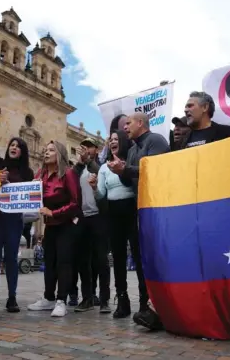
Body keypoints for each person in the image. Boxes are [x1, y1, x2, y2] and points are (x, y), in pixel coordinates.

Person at [108, 112, 170, 326]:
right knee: (142, 258)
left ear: (140, 123)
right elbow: (130, 181)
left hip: (160, 207)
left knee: (154, 258)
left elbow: (154, 170)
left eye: (129, 123)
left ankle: (156, 305)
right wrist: (119, 172)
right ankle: (146, 305)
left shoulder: (156, 140)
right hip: (141, 209)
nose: (125, 127)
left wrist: (126, 169)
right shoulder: (133, 149)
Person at [0, 108, 34, 315]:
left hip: (14, 221)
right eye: (12, 145)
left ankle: (12, 298)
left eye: (18, 146)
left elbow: (30, 195)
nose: (14, 148)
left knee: (12, 258)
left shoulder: (27, 172)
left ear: (23, 151)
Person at [27, 141, 81, 317]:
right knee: (48, 263)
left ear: (60, 153)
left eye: (51, 150)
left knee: (63, 263)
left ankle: (61, 300)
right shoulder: (40, 175)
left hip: (66, 226)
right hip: (50, 227)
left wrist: (53, 212)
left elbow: (75, 203)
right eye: (45, 150)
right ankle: (48, 298)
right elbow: (31, 195)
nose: (46, 152)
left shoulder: (68, 174)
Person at [88, 130, 135, 319]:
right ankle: (122, 299)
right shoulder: (104, 168)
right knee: (118, 257)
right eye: (111, 140)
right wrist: (93, 188)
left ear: (123, 142)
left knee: (138, 255)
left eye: (116, 139)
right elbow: (101, 195)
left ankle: (145, 300)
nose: (113, 142)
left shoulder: (130, 160)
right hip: (113, 212)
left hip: (131, 209)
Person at [71, 138, 111, 313]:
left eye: (89, 147)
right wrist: (80, 164)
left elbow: (97, 172)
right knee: (82, 261)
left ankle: (104, 300)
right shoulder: (78, 168)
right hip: (82, 217)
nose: (85, 149)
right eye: (83, 146)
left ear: (96, 149)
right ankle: (87, 297)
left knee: (101, 260)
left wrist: (88, 161)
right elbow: (71, 181)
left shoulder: (101, 166)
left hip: (98, 217)